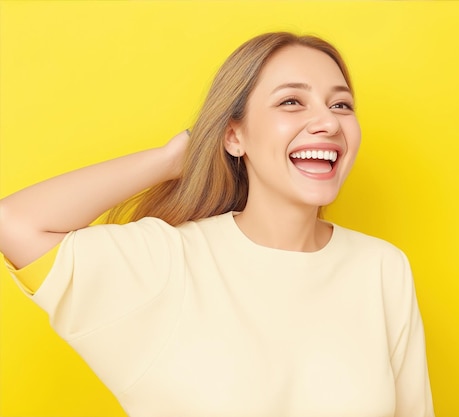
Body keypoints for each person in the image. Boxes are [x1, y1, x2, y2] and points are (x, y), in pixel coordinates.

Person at [0, 32, 435, 417]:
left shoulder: (381, 268)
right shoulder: (168, 262)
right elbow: (15, 223)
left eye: (341, 105)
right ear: (234, 136)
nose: (328, 123)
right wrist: (171, 160)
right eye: (291, 101)